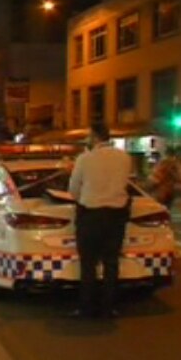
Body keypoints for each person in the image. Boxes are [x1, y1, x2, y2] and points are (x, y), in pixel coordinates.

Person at [68, 122, 132, 319]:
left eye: (89, 136)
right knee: (111, 263)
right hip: (116, 216)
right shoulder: (124, 158)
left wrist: (84, 198)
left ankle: (87, 307)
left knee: (88, 264)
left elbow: (73, 189)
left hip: (91, 216)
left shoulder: (85, 159)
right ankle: (109, 308)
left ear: (94, 137)